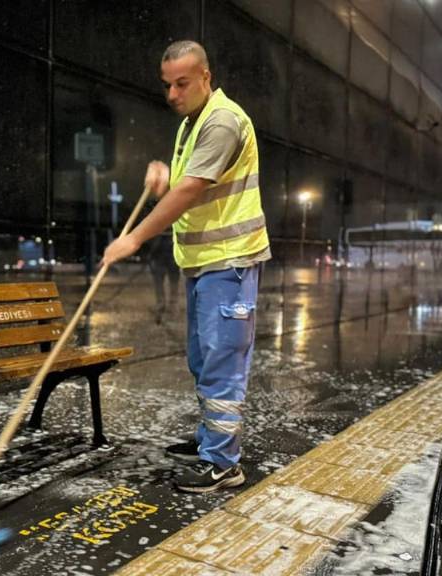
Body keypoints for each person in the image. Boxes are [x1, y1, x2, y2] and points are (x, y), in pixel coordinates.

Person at [101, 40, 270, 493]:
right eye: (167, 85)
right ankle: (209, 443)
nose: (173, 94)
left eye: (182, 83)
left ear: (205, 78)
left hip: (229, 263)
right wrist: (162, 180)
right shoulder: (191, 124)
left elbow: (190, 191)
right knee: (203, 359)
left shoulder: (222, 121)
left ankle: (224, 465)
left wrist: (134, 237)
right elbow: (182, 185)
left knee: (221, 362)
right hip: (203, 266)